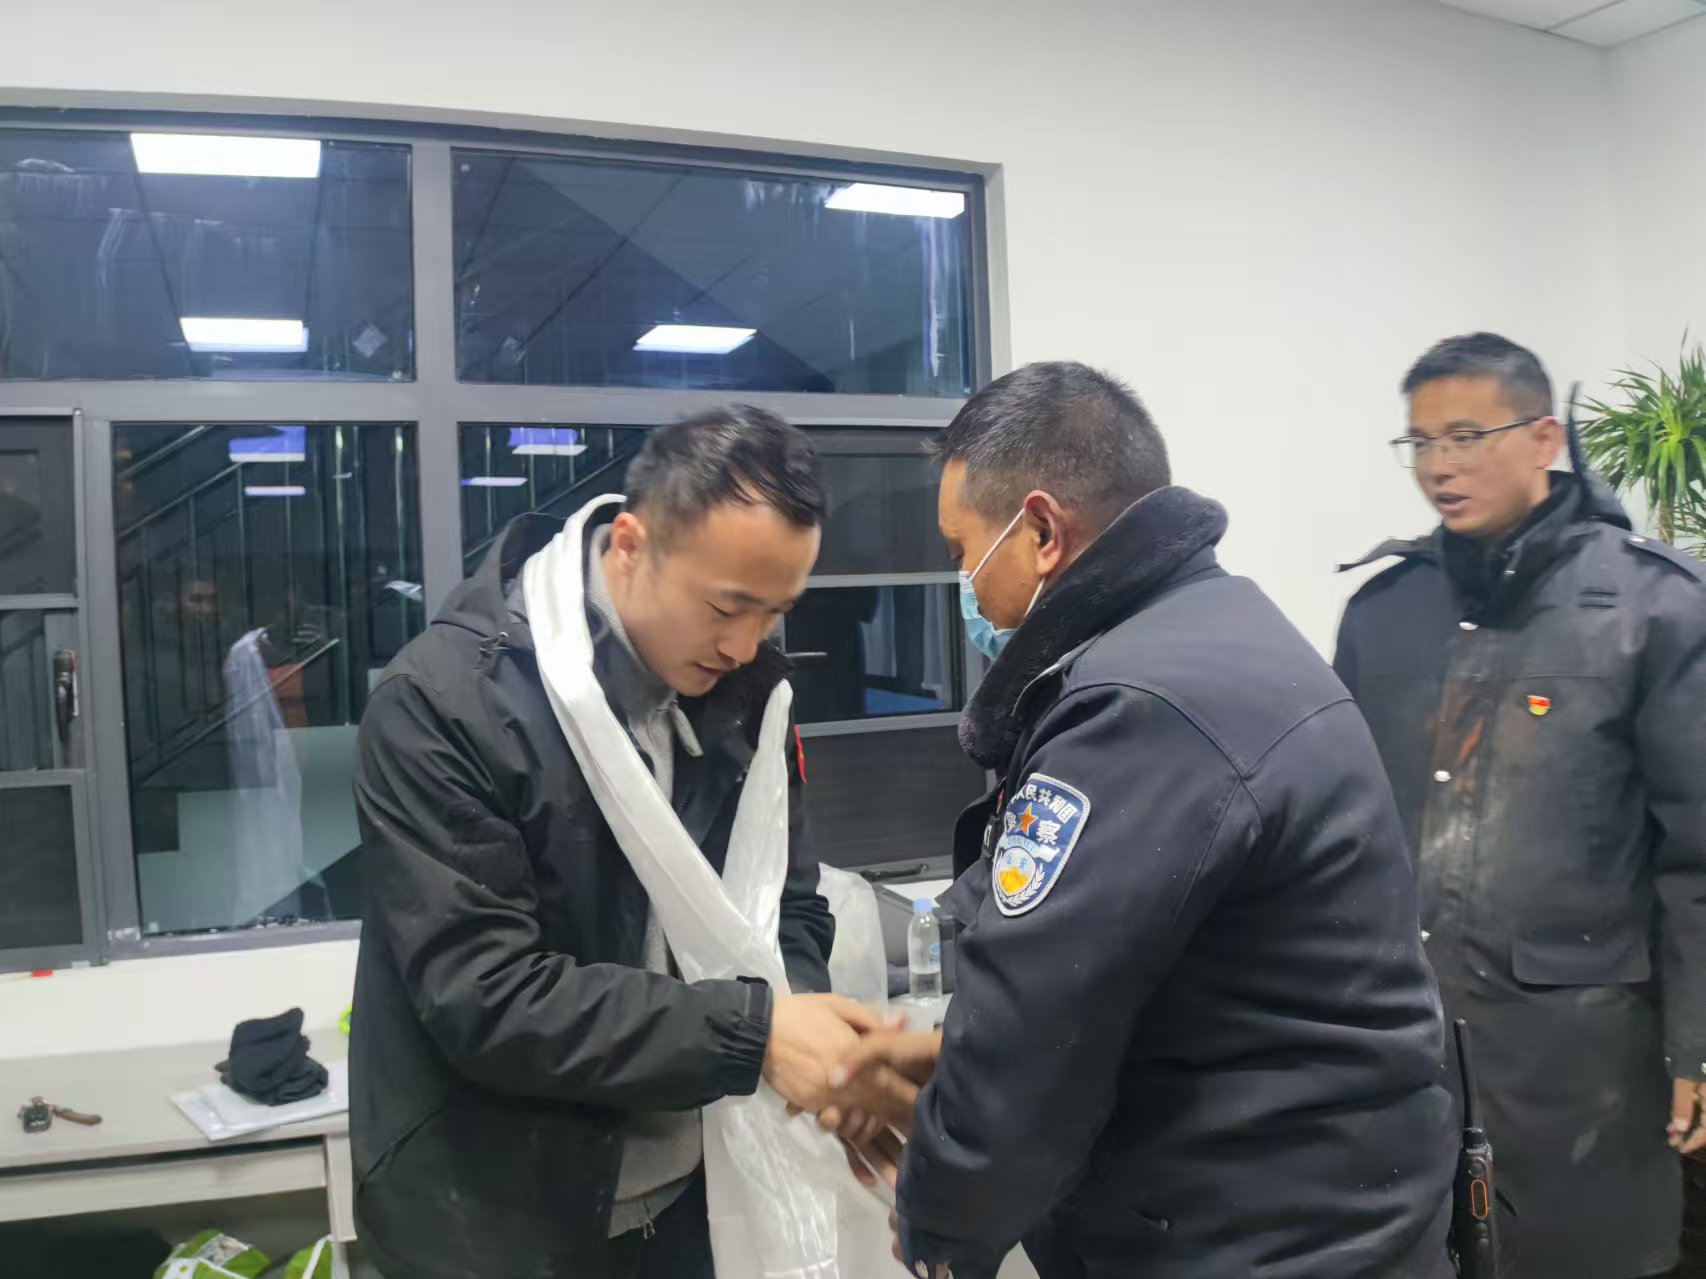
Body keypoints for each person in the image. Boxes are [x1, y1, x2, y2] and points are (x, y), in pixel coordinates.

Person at [831, 362, 1457, 1278]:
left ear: (1041, 531)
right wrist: (941, 1050)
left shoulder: (1138, 705)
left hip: (1266, 1240)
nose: (963, 581)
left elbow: (1041, 1022)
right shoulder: (1215, 628)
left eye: (964, 551)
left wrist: (939, 1216)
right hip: (1320, 1204)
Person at [350, 407, 882, 1279]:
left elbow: (788, 903)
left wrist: (809, 1037)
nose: (745, 644)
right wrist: (760, 1035)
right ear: (630, 545)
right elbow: (488, 996)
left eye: (775, 613)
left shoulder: (752, 700)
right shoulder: (445, 705)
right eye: (727, 606)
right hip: (500, 1214)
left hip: (699, 1193)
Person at [1333, 333, 1706, 1279]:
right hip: (1407, 1046)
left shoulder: (1653, 609)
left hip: (1583, 1056)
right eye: (1421, 442)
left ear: (1544, 437)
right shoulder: (1384, 613)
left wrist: (1697, 1044)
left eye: (1466, 436)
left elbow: (1696, 853)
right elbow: (1346, 836)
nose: (1439, 465)